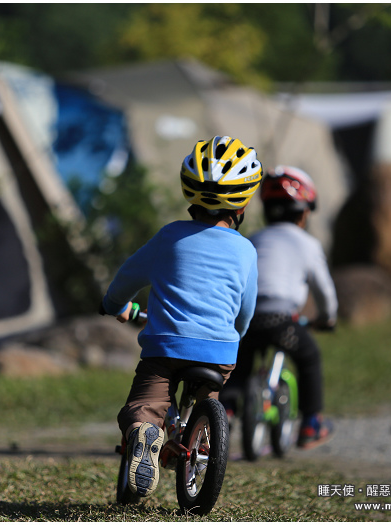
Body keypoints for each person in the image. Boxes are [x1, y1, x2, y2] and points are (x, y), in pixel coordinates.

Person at [99, 136, 263, 497]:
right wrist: (236, 334)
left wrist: (112, 305)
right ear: (243, 202)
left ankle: (147, 431)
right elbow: (245, 308)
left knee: (145, 405)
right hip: (220, 352)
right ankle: (201, 440)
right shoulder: (246, 251)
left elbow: (128, 277)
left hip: (165, 348)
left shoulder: (169, 237)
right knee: (209, 398)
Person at [221, 165, 338, 450]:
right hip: (282, 321)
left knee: (239, 368)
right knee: (309, 358)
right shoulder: (308, 244)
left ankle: (224, 413)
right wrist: (327, 318)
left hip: (246, 319)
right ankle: (311, 425)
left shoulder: (254, 239)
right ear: (303, 212)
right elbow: (324, 291)